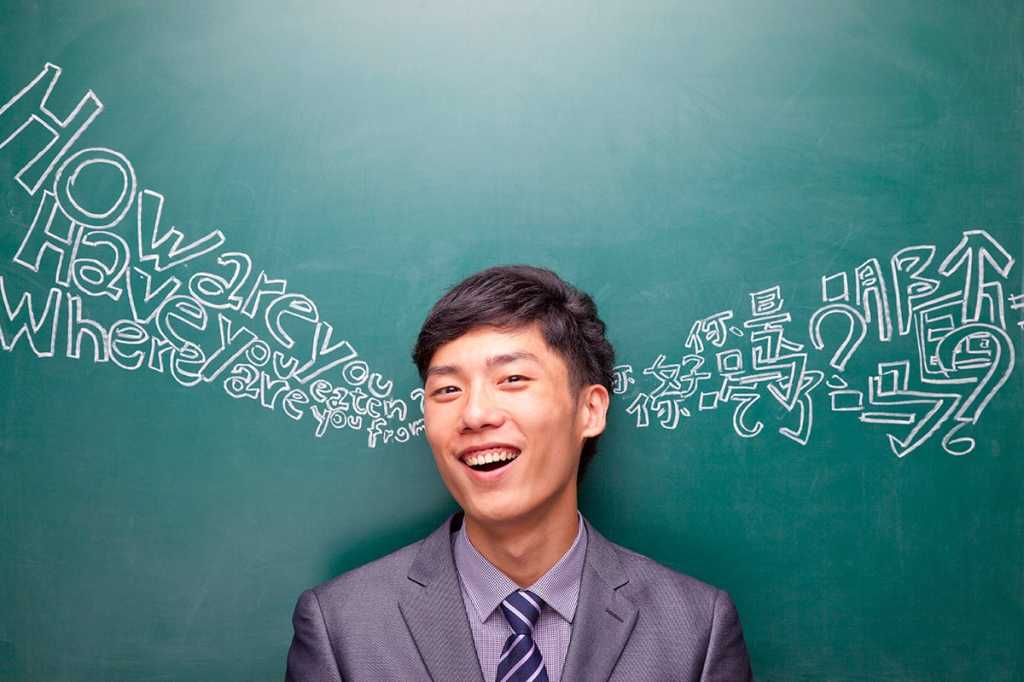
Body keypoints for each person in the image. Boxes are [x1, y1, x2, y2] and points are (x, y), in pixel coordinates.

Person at [285, 265, 753, 681]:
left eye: (512, 379)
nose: (475, 414)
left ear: (589, 409)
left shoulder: (696, 629)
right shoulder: (341, 627)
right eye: (446, 389)